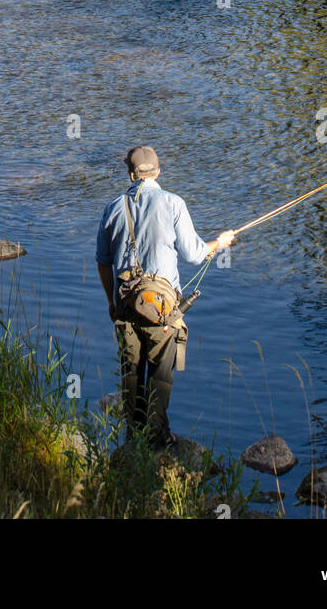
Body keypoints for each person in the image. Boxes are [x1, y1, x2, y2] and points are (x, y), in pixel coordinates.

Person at [95, 146, 235, 449]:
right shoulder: (173, 203)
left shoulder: (112, 208)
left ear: (131, 174)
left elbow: (103, 261)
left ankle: (133, 439)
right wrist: (220, 242)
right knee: (160, 374)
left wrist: (110, 302)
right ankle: (158, 440)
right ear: (158, 172)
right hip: (162, 310)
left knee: (131, 373)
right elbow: (195, 254)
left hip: (125, 305)